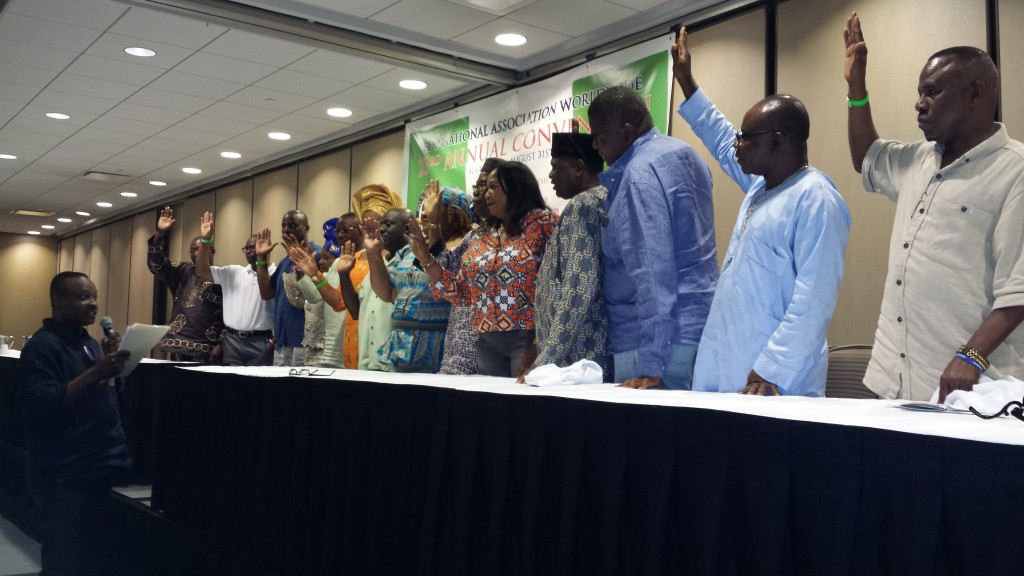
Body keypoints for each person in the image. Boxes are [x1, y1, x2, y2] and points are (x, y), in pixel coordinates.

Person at [844, 13, 1024, 402]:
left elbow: (1018, 291)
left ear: (976, 93)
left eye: (932, 92)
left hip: (968, 390)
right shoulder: (917, 159)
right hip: (891, 380)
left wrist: (971, 356)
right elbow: (867, 158)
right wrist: (856, 86)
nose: (919, 104)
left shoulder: (1016, 172)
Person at [673, 27, 851, 396]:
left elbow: (814, 299)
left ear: (776, 141)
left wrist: (770, 371)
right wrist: (687, 82)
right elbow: (721, 139)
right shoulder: (760, 188)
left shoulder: (815, 198)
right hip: (728, 369)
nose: (736, 144)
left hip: (772, 383)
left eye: (745, 137)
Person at [588, 85, 718, 390]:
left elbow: (651, 272)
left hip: (651, 346)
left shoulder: (638, 174)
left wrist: (651, 363)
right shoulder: (687, 154)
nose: (594, 144)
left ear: (627, 132)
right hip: (696, 331)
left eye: (600, 136)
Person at [17, 271, 131, 575]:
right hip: (63, 470)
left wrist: (112, 369)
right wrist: (96, 372)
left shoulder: (91, 343)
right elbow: (40, 405)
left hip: (96, 462)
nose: (93, 304)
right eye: (83, 297)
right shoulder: (43, 347)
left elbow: (102, 393)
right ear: (57, 300)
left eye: (94, 296)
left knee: (92, 555)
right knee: (64, 558)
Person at [410, 159, 557, 377]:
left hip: (528, 338)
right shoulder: (482, 234)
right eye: (485, 187)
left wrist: (540, 341)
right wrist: (425, 258)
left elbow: (558, 284)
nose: (486, 193)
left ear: (515, 187)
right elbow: (461, 293)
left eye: (493, 187)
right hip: (487, 343)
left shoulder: (543, 223)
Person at [524, 130, 610, 377]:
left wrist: (547, 359)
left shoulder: (582, 206)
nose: (550, 175)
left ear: (579, 168)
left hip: (576, 357)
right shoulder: (600, 199)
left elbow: (578, 288)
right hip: (579, 350)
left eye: (556, 167)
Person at [366, 207, 450, 372]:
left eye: (388, 224)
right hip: (403, 342)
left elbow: (444, 280)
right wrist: (373, 254)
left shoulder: (448, 249)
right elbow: (387, 294)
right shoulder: (404, 254)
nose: (381, 229)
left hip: (434, 342)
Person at [194, 212, 276, 366]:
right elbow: (201, 271)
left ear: (267, 249)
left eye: (255, 247)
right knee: (232, 387)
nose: (251, 251)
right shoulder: (234, 272)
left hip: (261, 341)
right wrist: (206, 241)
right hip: (232, 341)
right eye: (247, 248)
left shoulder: (275, 274)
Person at [147, 206, 224, 362]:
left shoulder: (223, 276)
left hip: (206, 346)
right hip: (178, 342)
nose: (196, 254)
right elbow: (155, 265)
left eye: (200, 249)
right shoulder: (182, 270)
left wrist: (222, 343)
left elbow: (231, 316)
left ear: (212, 251)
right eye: (192, 251)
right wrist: (160, 235)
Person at [256, 210, 319, 367]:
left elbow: (318, 297)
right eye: (283, 226)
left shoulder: (315, 255)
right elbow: (266, 293)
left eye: (292, 225)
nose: (286, 230)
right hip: (282, 342)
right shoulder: (285, 261)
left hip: (304, 343)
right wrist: (262, 259)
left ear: (306, 228)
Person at [282, 218, 340, 367]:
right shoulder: (323, 278)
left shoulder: (342, 280)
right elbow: (305, 299)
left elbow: (319, 298)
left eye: (326, 258)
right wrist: (301, 271)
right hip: (311, 352)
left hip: (332, 351)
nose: (321, 262)